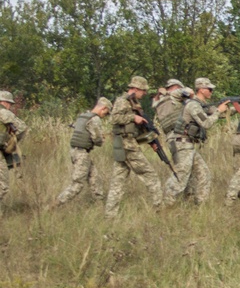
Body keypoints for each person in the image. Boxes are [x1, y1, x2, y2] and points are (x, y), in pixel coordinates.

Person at [163, 77, 229, 206]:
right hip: (182, 143)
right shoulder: (193, 105)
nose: (211, 91)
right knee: (181, 178)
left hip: (188, 144)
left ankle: (200, 205)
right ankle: (165, 204)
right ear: (201, 90)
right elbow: (206, 123)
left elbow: (212, 113)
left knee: (203, 174)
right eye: (209, 89)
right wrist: (218, 111)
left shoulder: (200, 105)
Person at [105, 76, 163, 217]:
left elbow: (136, 128)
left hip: (127, 144)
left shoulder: (134, 103)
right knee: (150, 175)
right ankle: (159, 210)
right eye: (143, 91)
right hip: (127, 145)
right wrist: (133, 118)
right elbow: (114, 119)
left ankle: (110, 215)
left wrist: (150, 140)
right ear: (135, 89)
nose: (143, 94)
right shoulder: (122, 101)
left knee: (118, 181)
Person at [56, 97, 112, 205]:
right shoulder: (95, 119)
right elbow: (97, 140)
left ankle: (99, 203)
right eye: (106, 113)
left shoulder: (83, 116)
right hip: (81, 154)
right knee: (77, 184)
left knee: (95, 178)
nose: (104, 116)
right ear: (103, 108)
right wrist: (102, 139)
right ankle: (56, 204)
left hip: (75, 151)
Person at [0, 91, 28, 213]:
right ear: (4, 102)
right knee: (3, 186)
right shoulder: (3, 112)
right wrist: (12, 143)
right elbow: (22, 128)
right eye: (9, 104)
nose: (10, 106)